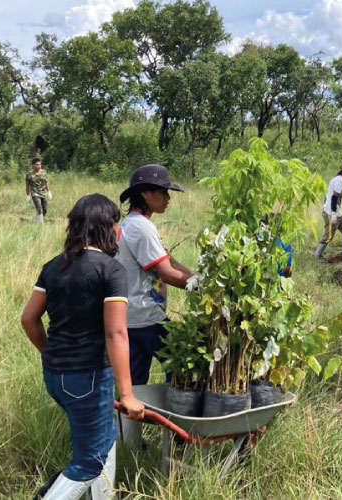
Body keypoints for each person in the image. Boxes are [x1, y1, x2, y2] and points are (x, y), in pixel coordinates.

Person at [20, 194, 145, 500]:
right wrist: (127, 394)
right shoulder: (111, 271)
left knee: (103, 443)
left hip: (55, 376)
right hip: (88, 379)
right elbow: (116, 333)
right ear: (106, 227)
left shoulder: (53, 267)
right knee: (90, 461)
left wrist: (52, 354)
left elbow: (28, 319)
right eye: (115, 224)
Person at [115, 164, 194, 447]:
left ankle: (129, 442)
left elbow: (168, 261)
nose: (167, 198)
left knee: (134, 381)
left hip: (129, 318)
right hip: (147, 316)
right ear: (145, 194)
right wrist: (203, 287)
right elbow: (167, 273)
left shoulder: (132, 225)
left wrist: (197, 276)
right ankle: (181, 434)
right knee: (185, 365)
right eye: (162, 192)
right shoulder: (142, 228)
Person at [313, 164, 342, 262]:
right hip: (332, 212)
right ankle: (316, 255)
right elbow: (334, 198)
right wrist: (333, 213)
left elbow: (328, 197)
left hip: (336, 211)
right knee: (328, 236)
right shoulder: (339, 181)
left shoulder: (337, 179)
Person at [25, 158, 51, 223]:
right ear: (33, 165)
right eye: (37, 164)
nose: (39, 166)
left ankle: (36, 219)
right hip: (35, 194)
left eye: (40, 164)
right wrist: (28, 195)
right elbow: (27, 185)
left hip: (43, 193)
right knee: (39, 208)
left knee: (45, 209)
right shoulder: (29, 174)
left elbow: (46, 182)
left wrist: (49, 191)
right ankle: (40, 224)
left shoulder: (44, 172)